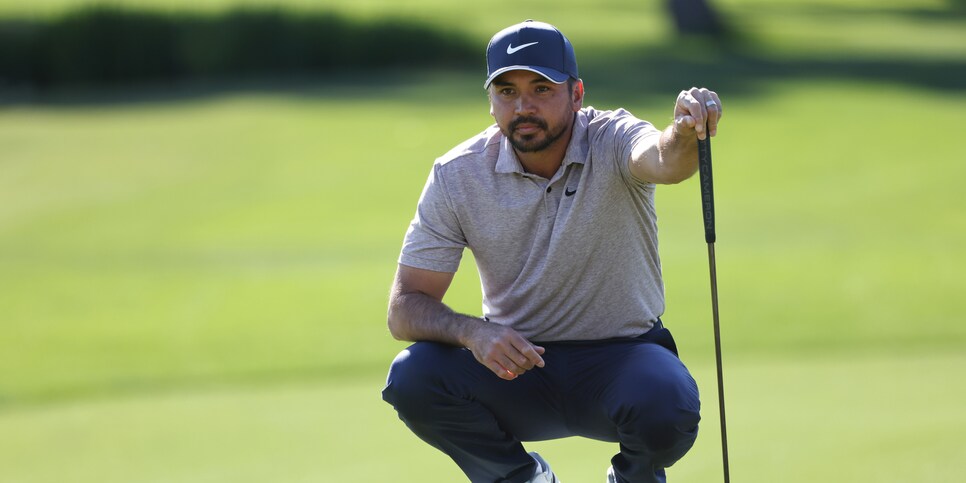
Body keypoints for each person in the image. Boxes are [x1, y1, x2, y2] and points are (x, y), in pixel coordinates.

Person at [382, 19, 721, 483]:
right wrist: (474, 333)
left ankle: (633, 477)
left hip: (621, 361)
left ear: (577, 94)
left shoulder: (613, 137)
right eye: (506, 91)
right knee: (414, 378)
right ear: (490, 100)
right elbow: (405, 309)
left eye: (542, 88)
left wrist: (684, 133)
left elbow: (665, 160)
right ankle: (522, 478)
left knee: (667, 404)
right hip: (517, 368)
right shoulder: (456, 174)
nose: (523, 106)